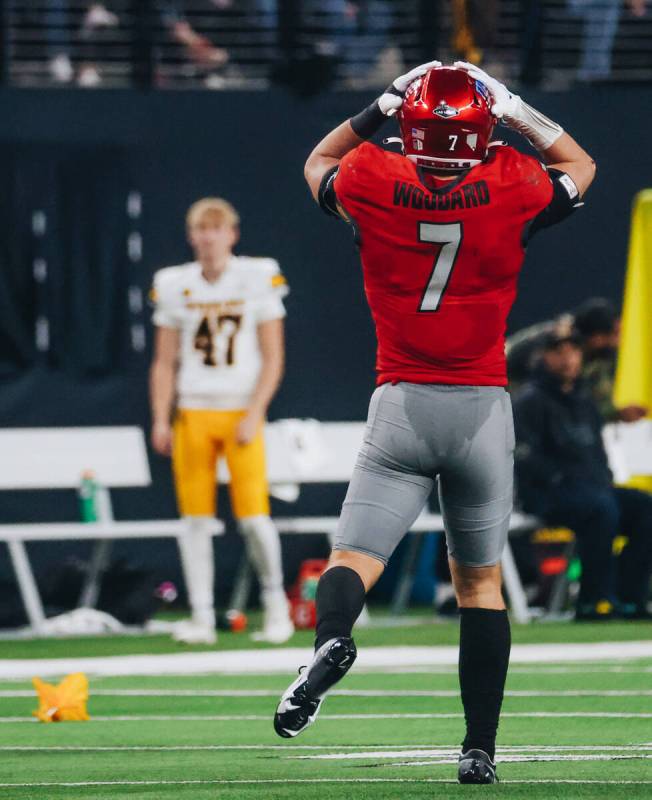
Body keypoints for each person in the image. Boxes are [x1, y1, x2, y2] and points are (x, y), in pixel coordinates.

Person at [272, 61, 596, 783]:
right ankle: (478, 748)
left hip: (401, 405)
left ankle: (330, 640)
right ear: (481, 128)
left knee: (353, 558)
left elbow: (317, 159)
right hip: (482, 408)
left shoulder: (369, 176)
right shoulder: (512, 182)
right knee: (480, 585)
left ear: (410, 124)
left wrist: (381, 106)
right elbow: (579, 162)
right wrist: (511, 107)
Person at [149, 197, 294, 645]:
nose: (209, 237)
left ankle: (275, 606)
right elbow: (164, 361)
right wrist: (160, 417)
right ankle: (201, 614)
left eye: (217, 229)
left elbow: (273, 357)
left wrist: (255, 412)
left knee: (254, 517)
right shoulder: (175, 284)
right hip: (192, 410)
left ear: (232, 233)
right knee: (194, 520)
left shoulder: (256, 277)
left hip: (239, 409)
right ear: (191, 235)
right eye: (201, 229)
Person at [513, 327, 652, 619]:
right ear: (544, 357)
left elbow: (596, 451)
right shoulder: (530, 401)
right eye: (558, 353)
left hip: (591, 490)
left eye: (573, 352)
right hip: (547, 495)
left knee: (644, 507)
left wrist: (602, 480)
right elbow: (525, 457)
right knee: (601, 510)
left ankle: (630, 596)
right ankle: (593, 599)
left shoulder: (584, 400)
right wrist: (564, 480)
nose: (567, 360)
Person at [573, 297, 648, 423]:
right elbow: (571, 407)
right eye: (613, 333)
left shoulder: (602, 355)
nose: (618, 340)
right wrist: (615, 413)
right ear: (595, 336)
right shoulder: (567, 359)